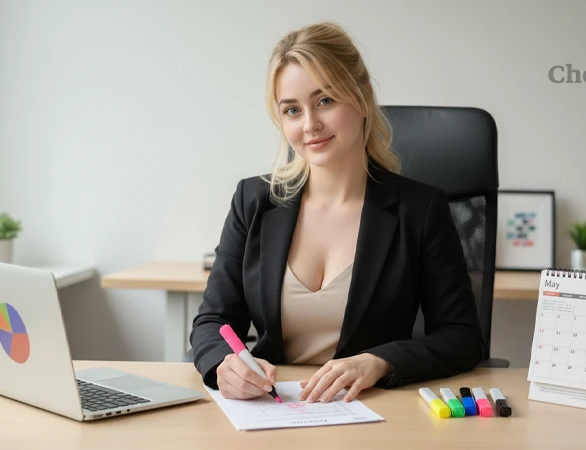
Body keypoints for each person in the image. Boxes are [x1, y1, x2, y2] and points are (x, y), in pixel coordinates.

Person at [190, 21, 483, 404]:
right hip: (276, 411)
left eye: (325, 100)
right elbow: (213, 321)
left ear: (362, 98)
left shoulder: (420, 209)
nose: (310, 124)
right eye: (292, 110)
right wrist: (224, 363)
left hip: (370, 409)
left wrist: (380, 361)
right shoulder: (253, 200)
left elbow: (462, 336)